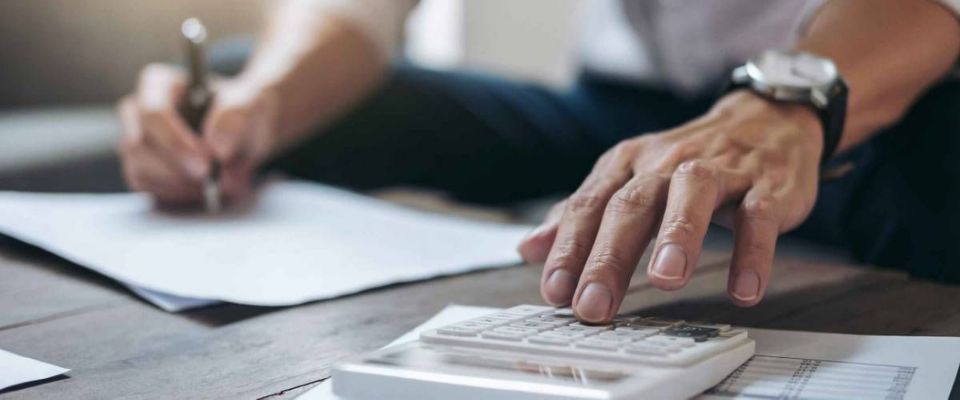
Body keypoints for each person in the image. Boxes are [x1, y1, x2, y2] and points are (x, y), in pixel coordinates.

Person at [116, 0, 960, 323]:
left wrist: (785, 107)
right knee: (248, 73)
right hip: (619, 104)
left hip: (855, 95)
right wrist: (257, 102)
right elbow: (358, 12)